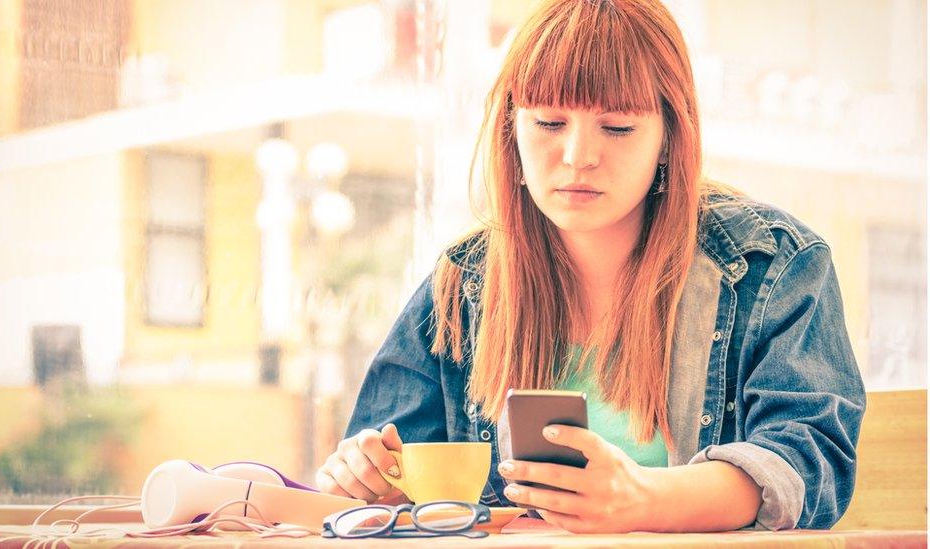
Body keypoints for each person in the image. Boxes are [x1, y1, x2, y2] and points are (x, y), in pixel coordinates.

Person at [316, 0, 865, 533]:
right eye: (549, 122)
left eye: (618, 127)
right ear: (512, 131)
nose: (578, 155)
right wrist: (371, 480)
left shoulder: (771, 265)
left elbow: (809, 463)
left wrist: (643, 499)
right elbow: (387, 474)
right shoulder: (463, 284)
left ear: (670, 137)